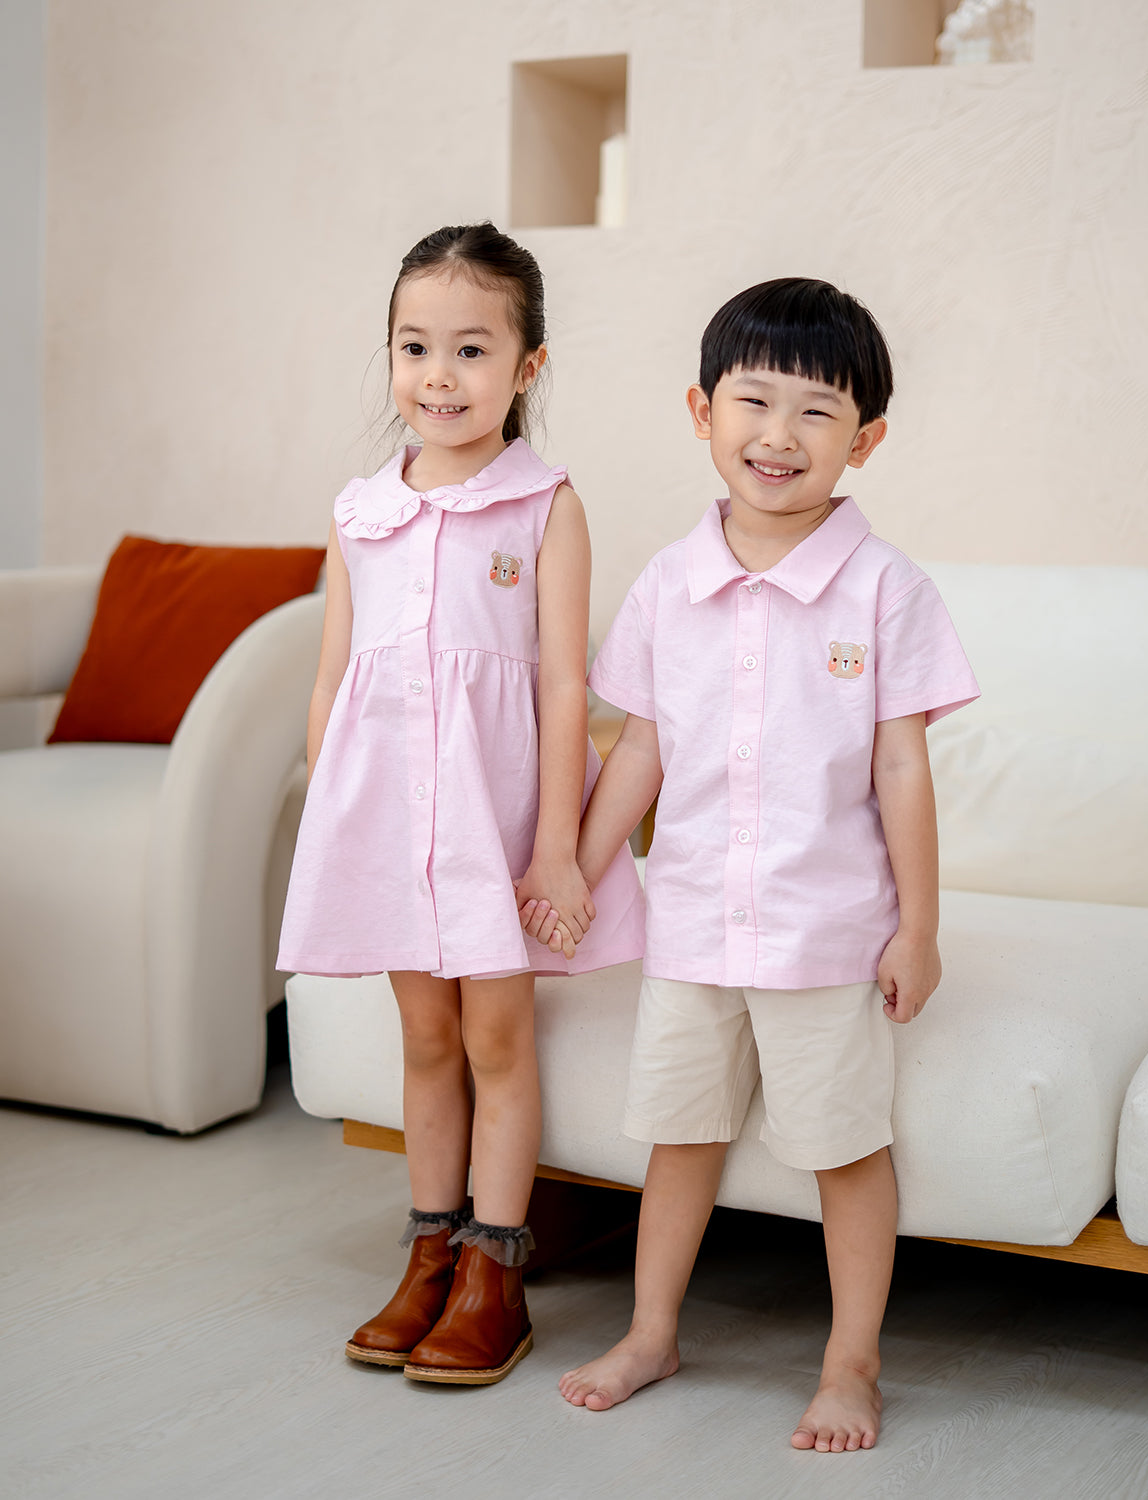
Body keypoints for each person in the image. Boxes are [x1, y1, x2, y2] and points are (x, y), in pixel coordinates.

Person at [534, 278, 979, 1447]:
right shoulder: (667, 585)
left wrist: (917, 928)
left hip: (824, 932)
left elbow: (902, 773)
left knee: (844, 1149)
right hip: (690, 927)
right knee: (677, 1135)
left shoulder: (888, 592)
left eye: (817, 413)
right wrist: (575, 869)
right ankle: (650, 1332)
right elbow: (639, 752)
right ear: (701, 410)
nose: (779, 436)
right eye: (754, 401)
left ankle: (852, 1362)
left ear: (865, 441)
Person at [278, 222, 644, 1387]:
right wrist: (330, 818)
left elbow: (560, 685)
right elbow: (336, 680)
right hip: (388, 827)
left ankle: (497, 1270)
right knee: (426, 1037)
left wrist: (556, 855)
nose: (440, 376)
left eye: (473, 350)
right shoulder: (359, 512)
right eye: (415, 346)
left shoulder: (546, 506)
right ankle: (428, 1252)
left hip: (497, 832)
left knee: (496, 1036)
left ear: (527, 368)